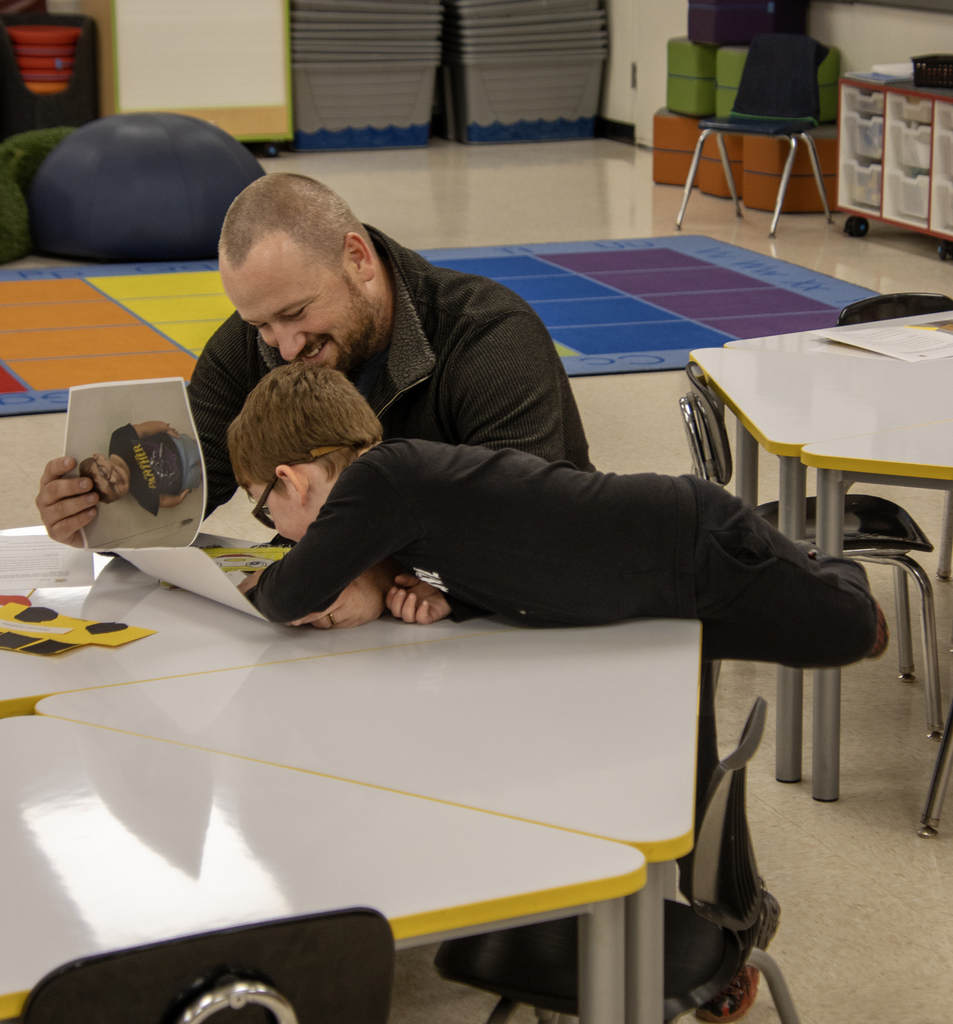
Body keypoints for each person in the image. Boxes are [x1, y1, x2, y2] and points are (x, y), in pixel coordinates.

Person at [237, 362, 883, 1024]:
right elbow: (492, 550)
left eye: (263, 507)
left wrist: (247, 588)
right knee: (691, 721)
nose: (272, 525)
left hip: (692, 542)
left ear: (289, 479)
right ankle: (735, 910)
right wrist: (435, 593)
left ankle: (831, 568)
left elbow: (289, 593)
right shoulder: (393, 494)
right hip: (646, 596)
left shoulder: (380, 479)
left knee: (844, 632)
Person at [35, 172, 592, 624]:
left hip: (512, 635)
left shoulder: (490, 335)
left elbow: (525, 521)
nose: (286, 345)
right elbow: (189, 476)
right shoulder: (249, 347)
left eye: (297, 312)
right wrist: (97, 509)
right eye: (262, 324)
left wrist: (374, 569)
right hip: (328, 626)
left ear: (358, 258)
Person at [78, 421, 201, 515]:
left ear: (99, 458)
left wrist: (164, 427)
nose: (114, 480)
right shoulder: (142, 495)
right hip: (185, 477)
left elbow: (143, 429)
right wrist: (178, 499)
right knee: (204, 470)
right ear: (121, 496)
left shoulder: (118, 439)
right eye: (113, 489)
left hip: (180, 445)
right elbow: (162, 500)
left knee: (202, 445)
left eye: (104, 473)